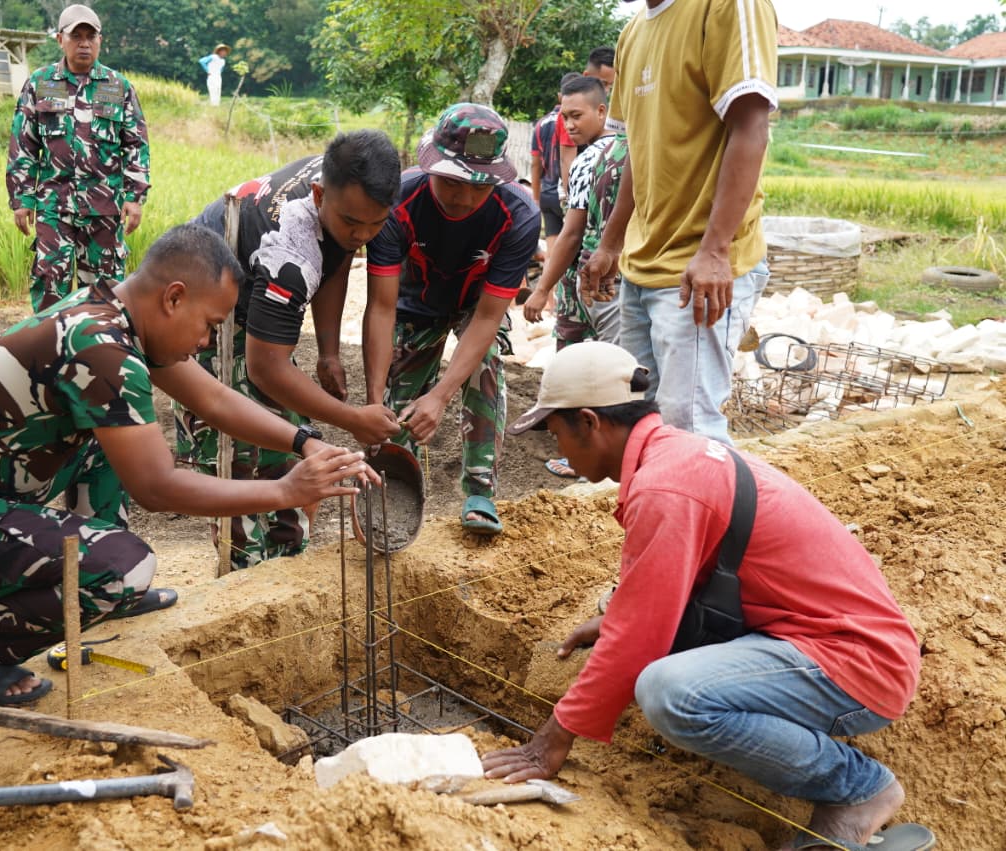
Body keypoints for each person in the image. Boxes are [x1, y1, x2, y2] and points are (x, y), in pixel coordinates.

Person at [0, 225, 375, 706]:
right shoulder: (101, 348)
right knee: (125, 566)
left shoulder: (113, 314)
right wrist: (285, 492)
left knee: (113, 437)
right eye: (209, 326)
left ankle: (105, 589)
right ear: (174, 298)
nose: (204, 343)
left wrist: (303, 440)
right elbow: (157, 486)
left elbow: (215, 400)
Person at [481, 342, 929, 851]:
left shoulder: (665, 487)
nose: (557, 449)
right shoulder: (677, 456)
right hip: (830, 642)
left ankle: (857, 789)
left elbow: (638, 642)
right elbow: (666, 589)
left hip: (856, 663)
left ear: (589, 422)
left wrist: (551, 741)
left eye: (556, 433)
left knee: (673, 692)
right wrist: (616, 617)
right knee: (662, 667)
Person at [175, 131, 403, 570]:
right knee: (239, 451)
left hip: (258, 306)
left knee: (289, 437)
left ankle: (286, 560)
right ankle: (244, 571)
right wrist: (354, 419)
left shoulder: (347, 187)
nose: (363, 234)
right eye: (353, 222)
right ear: (319, 195)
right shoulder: (291, 255)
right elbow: (265, 368)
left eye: (375, 224)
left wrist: (329, 352)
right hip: (205, 320)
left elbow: (334, 260)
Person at [580, 0, 775, 444]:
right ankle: (663, 513)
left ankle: (717, 515)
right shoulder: (634, 31)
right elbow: (637, 148)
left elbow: (752, 126)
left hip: (698, 271)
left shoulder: (725, 6)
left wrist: (715, 250)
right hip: (641, 264)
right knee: (638, 424)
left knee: (691, 432)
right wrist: (611, 245)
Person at [365, 103, 541, 537]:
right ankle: (390, 476)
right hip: (414, 302)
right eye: (450, 181)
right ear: (430, 168)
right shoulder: (399, 201)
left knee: (486, 364)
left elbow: (487, 316)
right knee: (397, 401)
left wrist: (442, 396)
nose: (462, 198)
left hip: (476, 301)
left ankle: (480, 488)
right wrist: (371, 401)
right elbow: (381, 308)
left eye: (477, 188)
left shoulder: (519, 216)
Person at [7, 4, 150, 313]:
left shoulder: (117, 86)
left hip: (104, 208)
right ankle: (51, 354)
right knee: (49, 283)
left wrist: (134, 196)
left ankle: (97, 354)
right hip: (53, 206)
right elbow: (24, 144)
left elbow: (135, 143)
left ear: (100, 40)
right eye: (76, 36)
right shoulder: (42, 83)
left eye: (90, 36)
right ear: (61, 39)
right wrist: (22, 199)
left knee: (106, 292)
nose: (84, 43)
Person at [523, 75, 628, 478]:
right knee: (615, 363)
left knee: (586, 363)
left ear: (603, 111)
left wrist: (542, 288)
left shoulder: (590, 160)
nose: (568, 125)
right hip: (619, 274)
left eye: (577, 116)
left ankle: (589, 454)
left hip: (592, 278)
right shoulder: (632, 152)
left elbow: (571, 232)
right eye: (564, 117)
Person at [529, 73, 581, 257]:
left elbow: (535, 164)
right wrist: (571, 195)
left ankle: (548, 287)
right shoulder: (571, 122)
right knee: (570, 254)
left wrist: (536, 198)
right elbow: (568, 159)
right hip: (564, 193)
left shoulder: (540, 124)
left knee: (552, 254)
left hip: (546, 194)